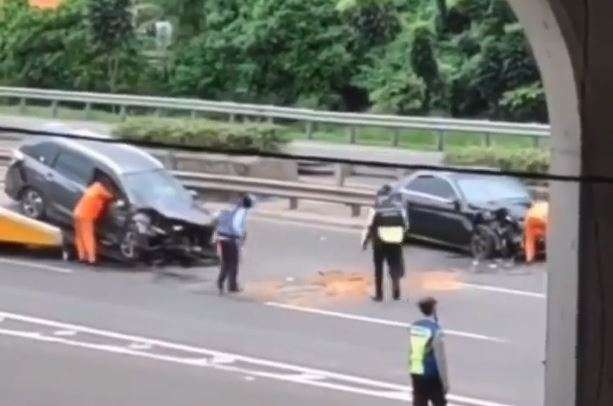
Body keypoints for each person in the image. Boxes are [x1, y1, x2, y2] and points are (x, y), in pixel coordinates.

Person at [361, 184, 408, 301]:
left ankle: (379, 295)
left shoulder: (376, 208)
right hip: (396, 239)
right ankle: (396, 290)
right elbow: (406, 225)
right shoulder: (399, 208)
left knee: (379, 268)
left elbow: (368, 226)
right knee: (395, 264)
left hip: (379, 241)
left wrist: (364, 242)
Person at [408, 297, 449, 406]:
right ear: (433, 310)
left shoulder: (415, 326)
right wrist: (445, 383)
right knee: (439, 402)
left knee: (419, 401)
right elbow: (440, 359)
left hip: (416, 371)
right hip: (432, 374)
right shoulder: (435, 330)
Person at [73, 173, 115, 265]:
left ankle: (82, 256)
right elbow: (111, 197)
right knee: (88, 236)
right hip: (86, 216)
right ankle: (92, 259)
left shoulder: (93, 187)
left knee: (79, 236)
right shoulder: (100, 190)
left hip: (77, 213)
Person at [215, 195, 253, 294]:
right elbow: (236, 225)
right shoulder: (242, 211)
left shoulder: (228, 209)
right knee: (233, 262)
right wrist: (241, 235)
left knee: (226, 261)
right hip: (231, 238)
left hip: (221, 237)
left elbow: (216, 217)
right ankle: (232, 286)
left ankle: (220, 281)